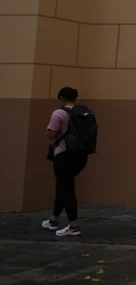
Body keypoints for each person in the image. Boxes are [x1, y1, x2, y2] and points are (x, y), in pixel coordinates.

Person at [41, 87, 88, 237]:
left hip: (63, 155)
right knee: (62, 184)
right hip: (80, 156)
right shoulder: (84, 112)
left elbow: (51, 134)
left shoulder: (59, 113)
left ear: (61, 98)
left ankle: (73, 225)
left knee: (67, 188)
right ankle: (54, 219)